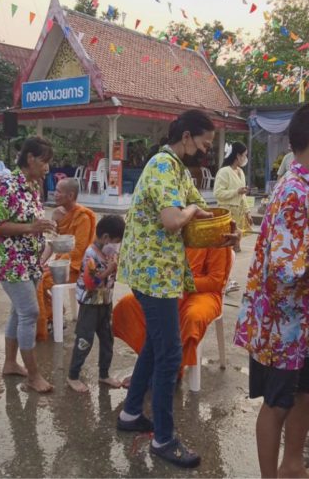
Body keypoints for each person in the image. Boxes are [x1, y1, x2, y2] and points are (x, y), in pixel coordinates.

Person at [116, 109, 240, 469]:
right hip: (153, 274)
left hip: (160, 273)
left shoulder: (177, 169)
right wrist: (189, 210)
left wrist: (228, 228)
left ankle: (129, 414)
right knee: (170, 353)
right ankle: (164, 439)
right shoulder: (161, 166)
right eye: (203, 142)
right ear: (186, 136)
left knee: (156, 347)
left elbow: (200, 209)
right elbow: (174, 220)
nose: (205, 150)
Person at [233, 102, 309, 478]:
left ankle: (293, 466)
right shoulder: (295, 190)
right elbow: (285, 269)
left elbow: (295, 246)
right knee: (277, 404)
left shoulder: (304, 185)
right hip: (281, 322)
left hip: (302, 319)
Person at [0, 136, 57, 393]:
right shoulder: (8, 184)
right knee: (29, 313)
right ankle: (33, 376)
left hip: (31, 260)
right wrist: (31, 227)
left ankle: (9, 363)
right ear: (30, 158)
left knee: (19, 312)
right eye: (44, 161)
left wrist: (44, 227)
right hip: (11, 261)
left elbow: (32, 221)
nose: (47, 168)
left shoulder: (32, 185)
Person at [113, 246, 233, 383]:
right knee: (128, 304)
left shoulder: (214, 232)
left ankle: (173, 369)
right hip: (171, 288)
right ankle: (152, 364)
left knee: (193, 316)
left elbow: (214, 281)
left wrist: (179, 284)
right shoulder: (175, 229)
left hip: (204, 293)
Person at [67, 214, 126, 393]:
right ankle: (73, 375)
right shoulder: (90, 255)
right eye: (115, 241)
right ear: (106, 238)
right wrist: (109, 270)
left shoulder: (110, 253)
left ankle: (104, 374)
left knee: (107, 339)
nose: (116, 245)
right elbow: (90, 283)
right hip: (90, 304)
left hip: (105, 302)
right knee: (85, 340)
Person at [36, 178, 97, 340]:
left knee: (40, 282)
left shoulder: (83, 217)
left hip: (75, 267)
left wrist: (56, 263)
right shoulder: (57, 213)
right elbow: (53, 242)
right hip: (59, 264)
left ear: (70, 195)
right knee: (34, 277)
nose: (55, 194)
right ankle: (52, 314)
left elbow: (79, 249)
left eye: (58, 191)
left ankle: (52, 316)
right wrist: (42, 261)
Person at [214, 141, 251, 253]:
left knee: (235, 244)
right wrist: (236, 191)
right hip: (227, 212)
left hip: (238, 212)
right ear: (238, 156)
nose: (245, 158)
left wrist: (247, 211)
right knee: (227, 243)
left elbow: (242, 195)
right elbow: (218, 193)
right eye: (244, 155)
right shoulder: (224, 172)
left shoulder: (240, 172)